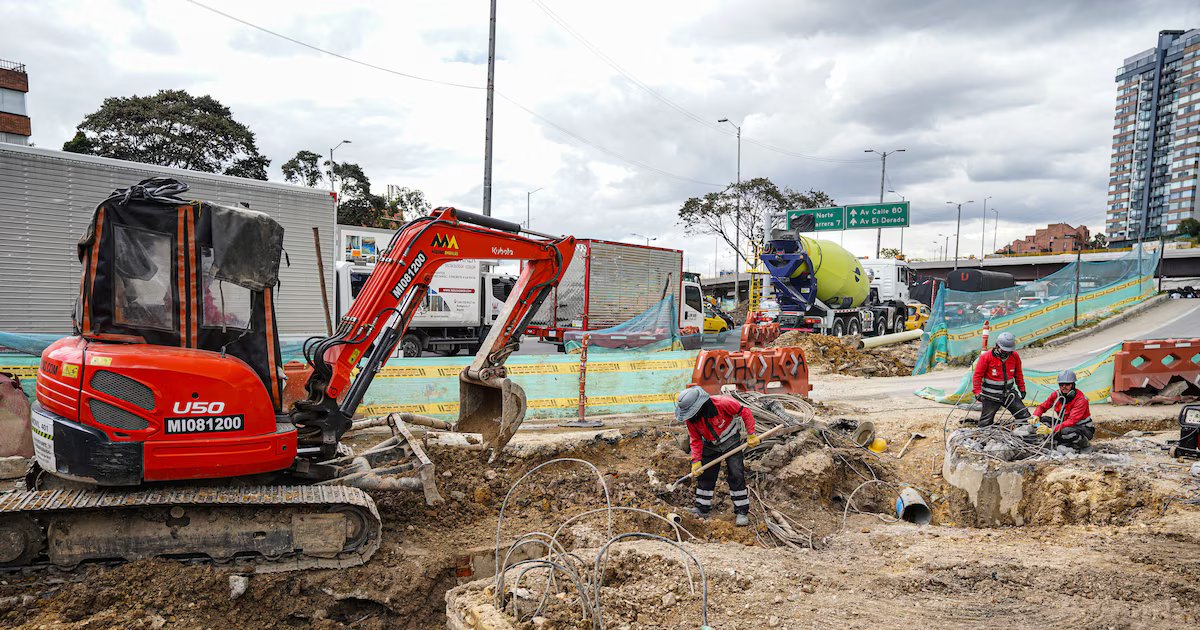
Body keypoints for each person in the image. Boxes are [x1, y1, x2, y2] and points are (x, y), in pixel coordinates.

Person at [675, 386, 759, 526]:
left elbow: (745, 412)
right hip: (710, 444)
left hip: (731, 440)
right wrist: (696, 461)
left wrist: (751, 433)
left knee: (736, 473)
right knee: (706, 475)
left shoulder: (723, 403)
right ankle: (702, 508)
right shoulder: (691, 420)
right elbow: (695, 440)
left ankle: (741, 511)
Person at [971, 331, 1031, 426]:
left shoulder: (1014, 356)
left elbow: (1018, 374)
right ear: (997, 346)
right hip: (991, 396)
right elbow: (977, 376)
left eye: (1009, 351)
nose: (1007, 353)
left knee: (1025, 417)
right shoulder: (986, 357)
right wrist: (977, 392)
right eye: (1004, 350)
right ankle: (984, 437)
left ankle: (1025, 435)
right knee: (985, 423)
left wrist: (1022, 389)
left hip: (1009, 394)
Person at [1030, 370, 1095, 451]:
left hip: (1083, 428)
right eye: (1061, 384)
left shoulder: (1081, 399)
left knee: (1066, 431)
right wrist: (1036, 415)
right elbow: (1042, 406)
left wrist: (1052, 429)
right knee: (1043, 420)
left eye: (1067, 384)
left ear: (1073, 385)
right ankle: (1058, 442)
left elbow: (1071, 421)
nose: (1064, 387)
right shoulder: (1056, 395)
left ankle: (1084, 445)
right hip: (1065, 424)